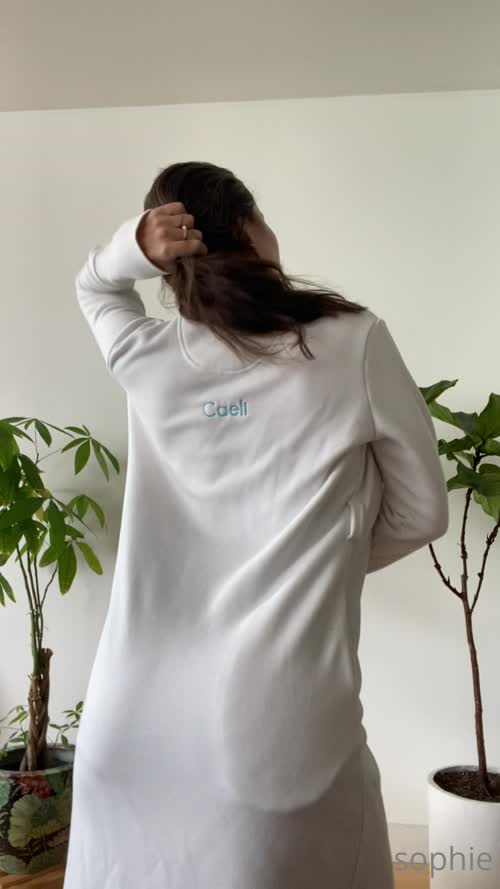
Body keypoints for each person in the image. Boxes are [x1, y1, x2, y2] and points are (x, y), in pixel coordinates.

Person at [64, 161, 449, 889]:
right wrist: (320, 558)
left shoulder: (144, 356)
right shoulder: (351, 342)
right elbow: (422, 510)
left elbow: (95, 286)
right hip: (277, 735)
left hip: (128, 734)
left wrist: (131, 247)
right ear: (248, 230)